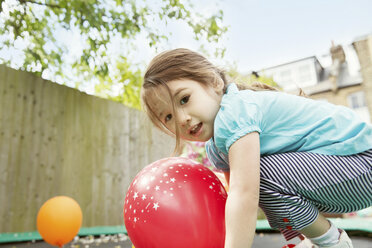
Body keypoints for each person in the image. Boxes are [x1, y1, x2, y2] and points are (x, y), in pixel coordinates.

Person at [141, 48, 372, 248]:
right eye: (168, 116)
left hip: (361, 163)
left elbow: (245, 196)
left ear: (214, 83)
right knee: (255, 182)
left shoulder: (235, 112)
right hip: (344, 174)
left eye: (184, 99)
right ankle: (302, 241)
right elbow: (236, 199)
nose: (182, 119)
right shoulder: (216, 147)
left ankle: (333, 242)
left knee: (254, 179)